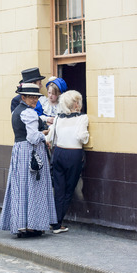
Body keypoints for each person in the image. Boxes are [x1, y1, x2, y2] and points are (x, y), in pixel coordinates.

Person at [0, 83, 57, 238]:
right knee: (33, 188)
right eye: (31, 97)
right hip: (30, 151)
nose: (34, 100)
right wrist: (44, 135)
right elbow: (32, 137)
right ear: (23, 97)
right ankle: (32, 225)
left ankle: (22, 224)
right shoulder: (29, 113)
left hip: (19, 151)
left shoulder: (17, 111)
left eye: (36, 97)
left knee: (21, 187)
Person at [46, 90, 89, 234]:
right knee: (68, 190)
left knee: (58, 190)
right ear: (76, 104)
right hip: (73, 154)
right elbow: (82, 137)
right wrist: (87, 137)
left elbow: (51, 137)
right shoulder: (82, 118)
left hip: (58, 153)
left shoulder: (58, 118)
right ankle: (57, 223)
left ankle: (54, 222)